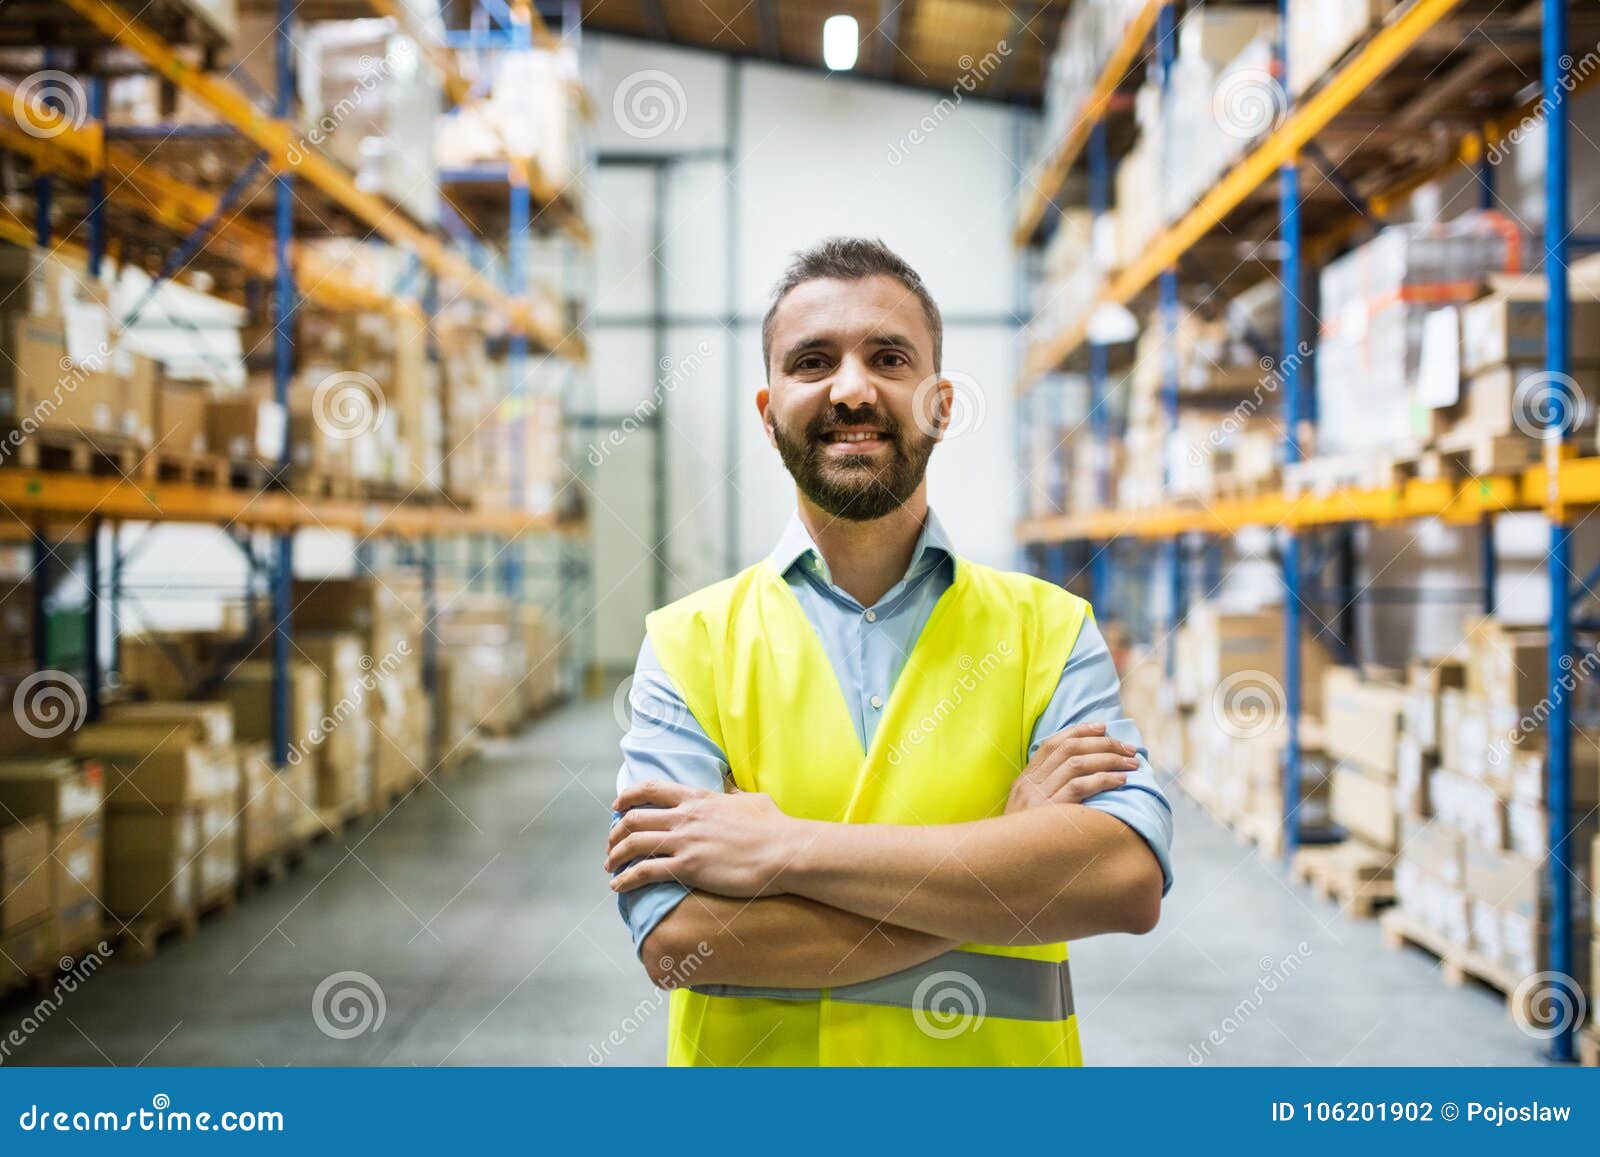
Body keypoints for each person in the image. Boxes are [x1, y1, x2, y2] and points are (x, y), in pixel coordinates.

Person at [606, 237, 1172, 1066]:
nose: (851, 389)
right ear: (769, 414)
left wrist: (786, 850)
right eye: (812, 362)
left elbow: (1123, 880)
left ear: (939, 404)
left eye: (888, 357)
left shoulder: (1049, 631)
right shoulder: (689, 646)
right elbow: (681, 938)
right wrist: (1003, 858)